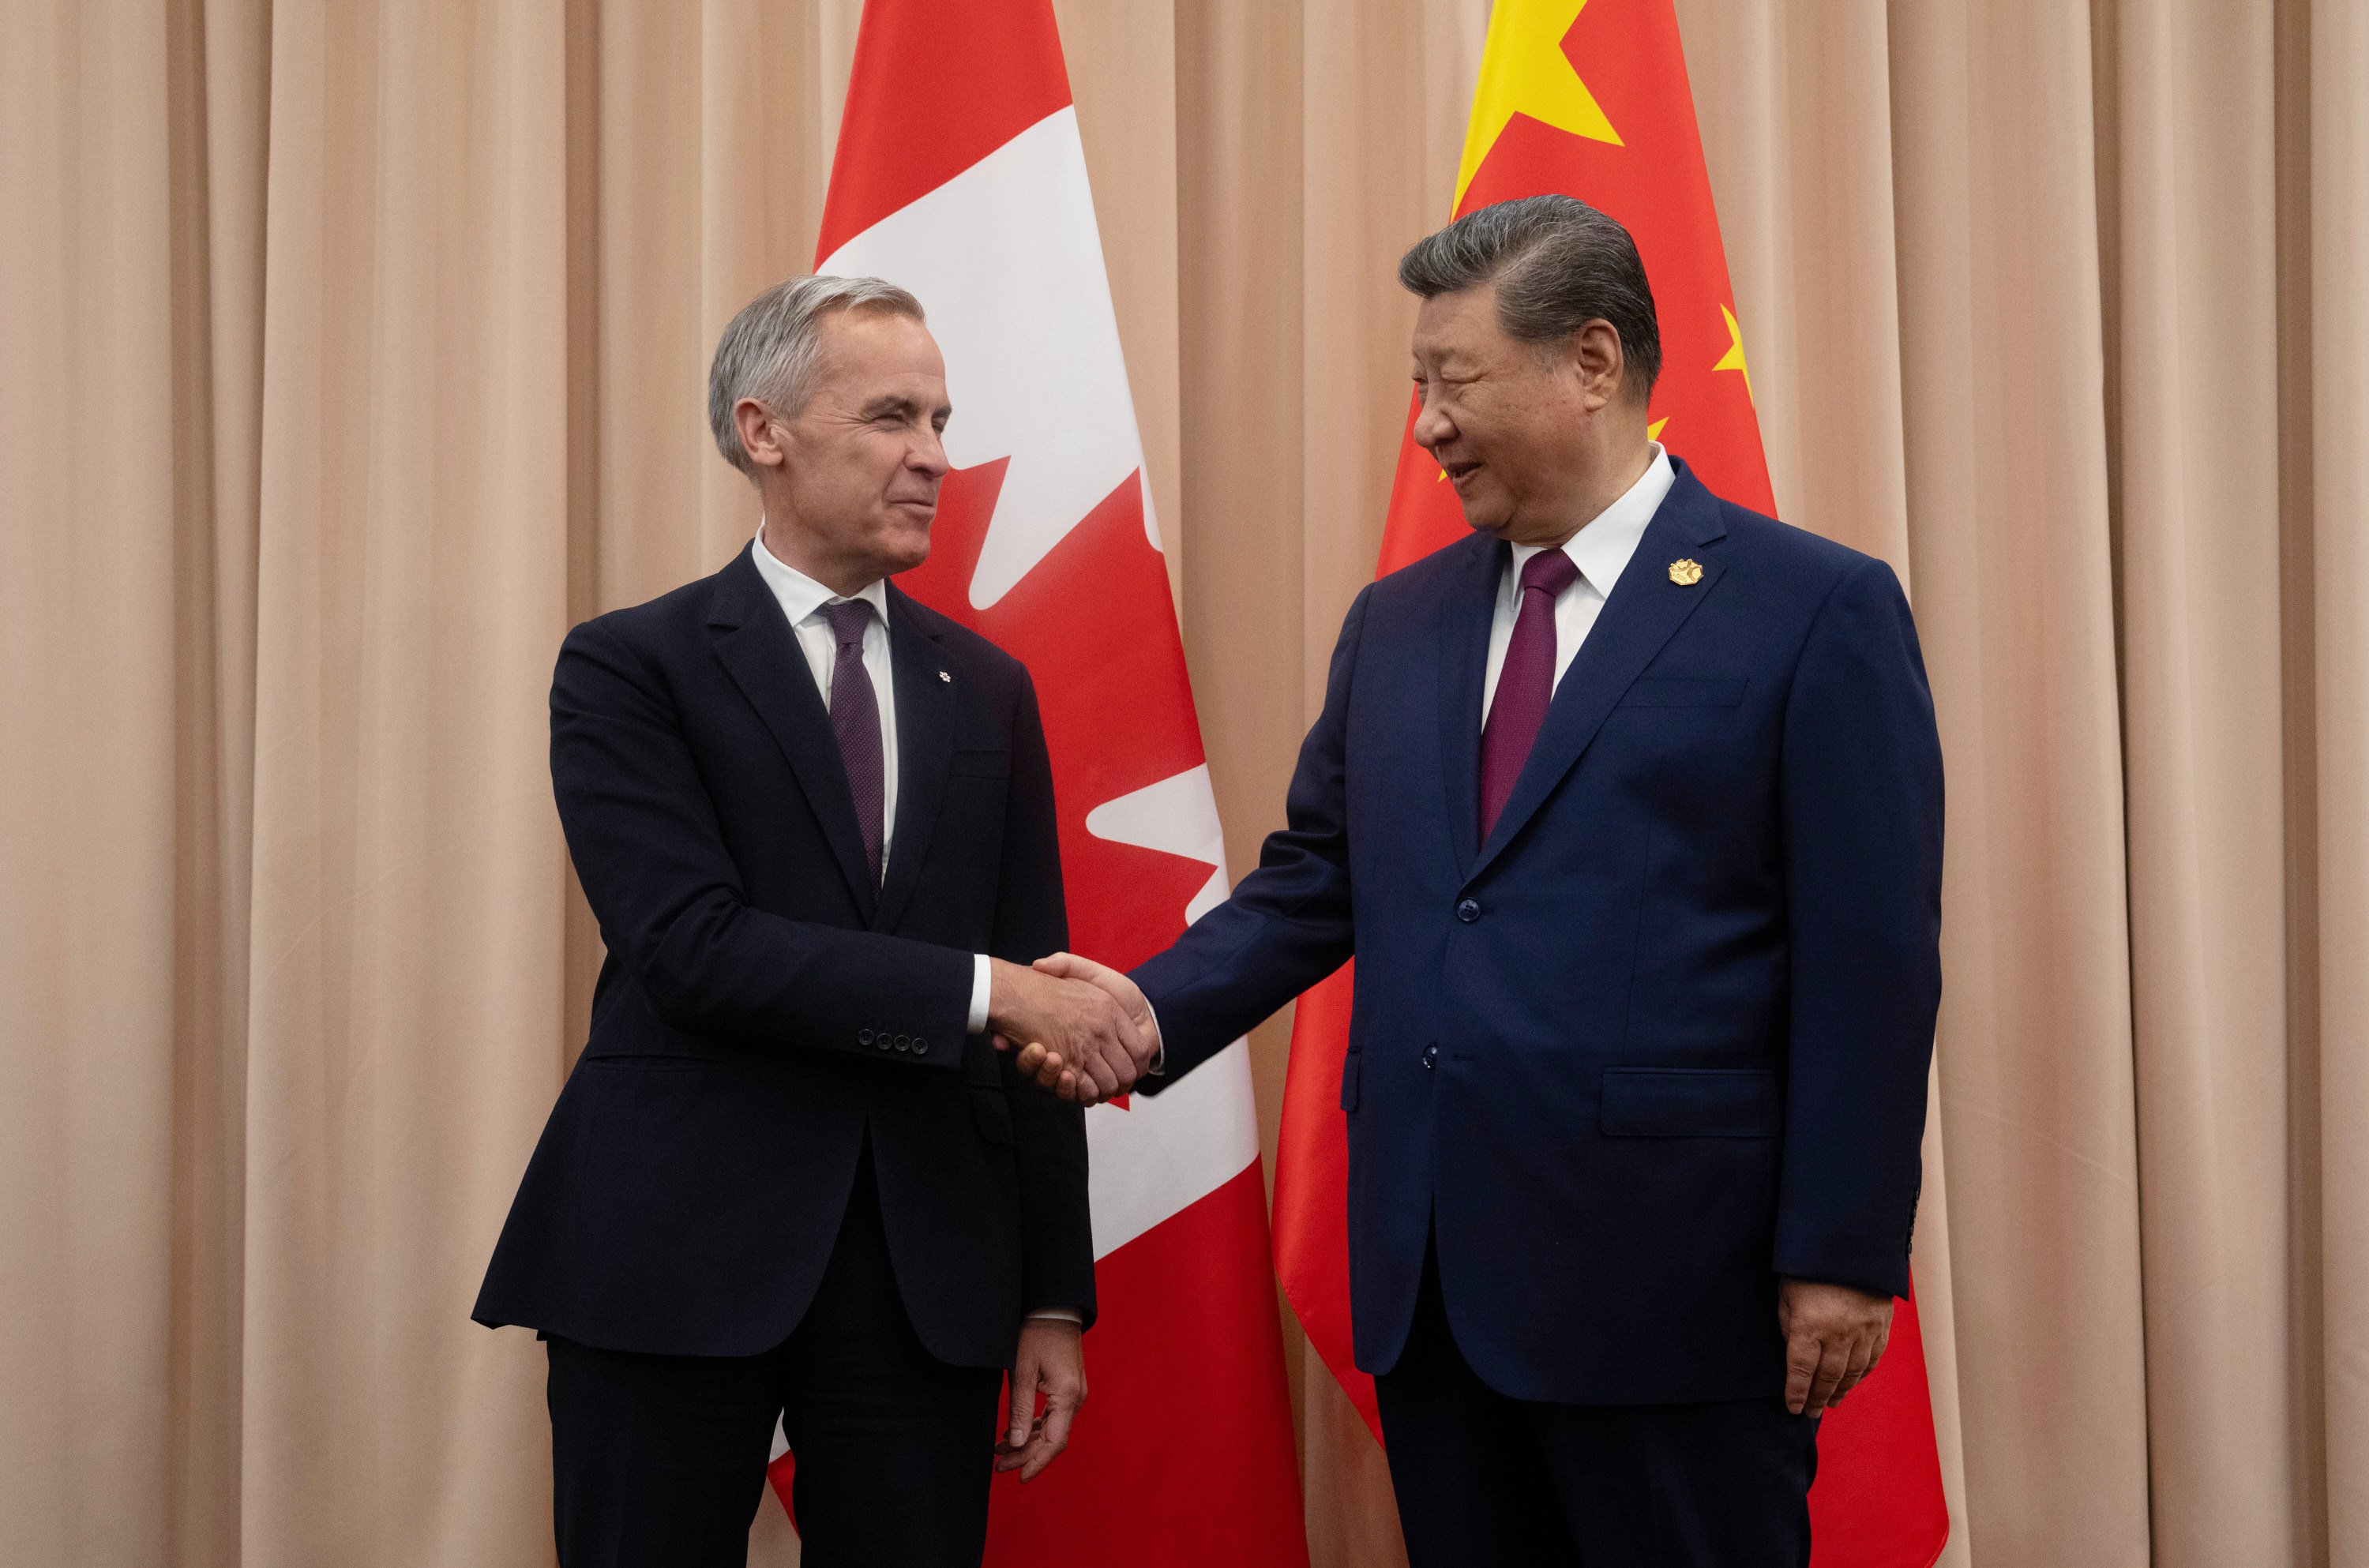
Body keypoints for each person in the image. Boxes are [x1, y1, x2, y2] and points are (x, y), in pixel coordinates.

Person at [1019, 196, 1943, 1566]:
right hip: (1434, 1280)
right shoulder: (1400, 619)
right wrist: (1148, 1014)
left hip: (1674, 1290)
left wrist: (1846, 1250)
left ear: (1590, 360)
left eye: (1454, 384)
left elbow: (1870, 959)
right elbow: (1319, 878)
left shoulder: (1814, 610)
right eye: (1418, 387)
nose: (1429, 426)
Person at [473, 274, 1150, 1568]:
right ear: (763, 429)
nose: (937, 457)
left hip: (923, 1267)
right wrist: (986, 991)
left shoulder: (988, 689)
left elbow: (1043, 992)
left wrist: (1056, 1292)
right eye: (894, 415)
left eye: (942, 419)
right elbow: (693, 947)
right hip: (672, 1246)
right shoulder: (632, 665)